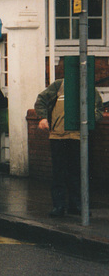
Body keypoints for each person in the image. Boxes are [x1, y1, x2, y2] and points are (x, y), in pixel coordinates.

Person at [34, 79, 103, 217]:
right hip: (58, 136)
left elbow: (98, 110)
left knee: (76, 173)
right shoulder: (59, 85)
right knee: (58, 173)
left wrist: (88, 121)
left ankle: (76, 205)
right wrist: (42, 118)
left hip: (78, 137)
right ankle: (59, 206)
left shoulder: (88, 88)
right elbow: (41, 100)